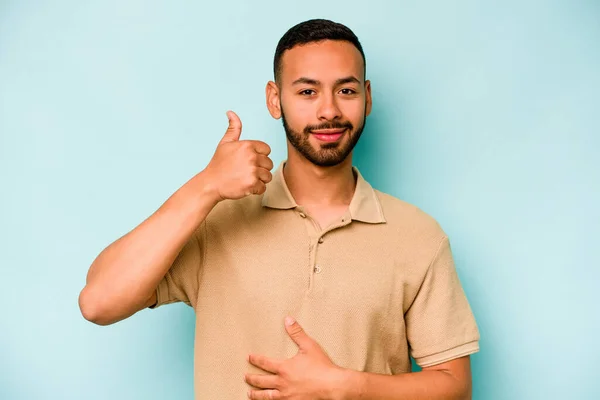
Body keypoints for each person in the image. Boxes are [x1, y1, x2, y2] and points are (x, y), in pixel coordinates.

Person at [79, 18, 480, 400]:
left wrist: (343, 386)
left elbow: (454, 386)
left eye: (346, 90)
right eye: (307, 91)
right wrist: (205, 187)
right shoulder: (217, 219)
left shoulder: (418, 235)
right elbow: (98, 302)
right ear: (275, 99)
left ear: (367, 97)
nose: (329, 111)